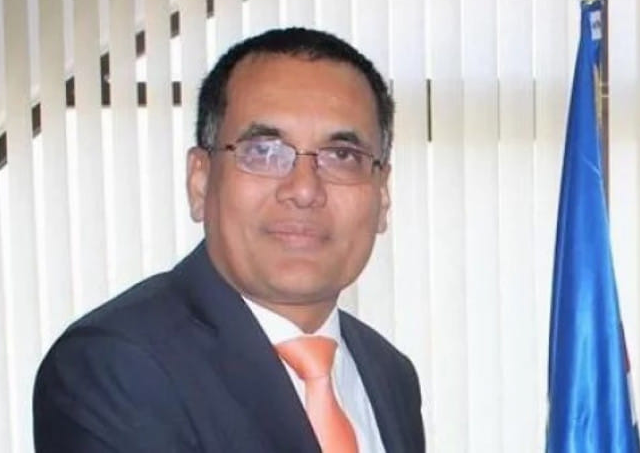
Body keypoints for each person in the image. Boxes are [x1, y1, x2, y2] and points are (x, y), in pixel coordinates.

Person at [33, 27, 425, 453]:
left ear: (382, 195)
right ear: (200, 182)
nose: (304, 189)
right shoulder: (116, 365)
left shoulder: (389, 375)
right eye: (264, 152)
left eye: (342, 156)